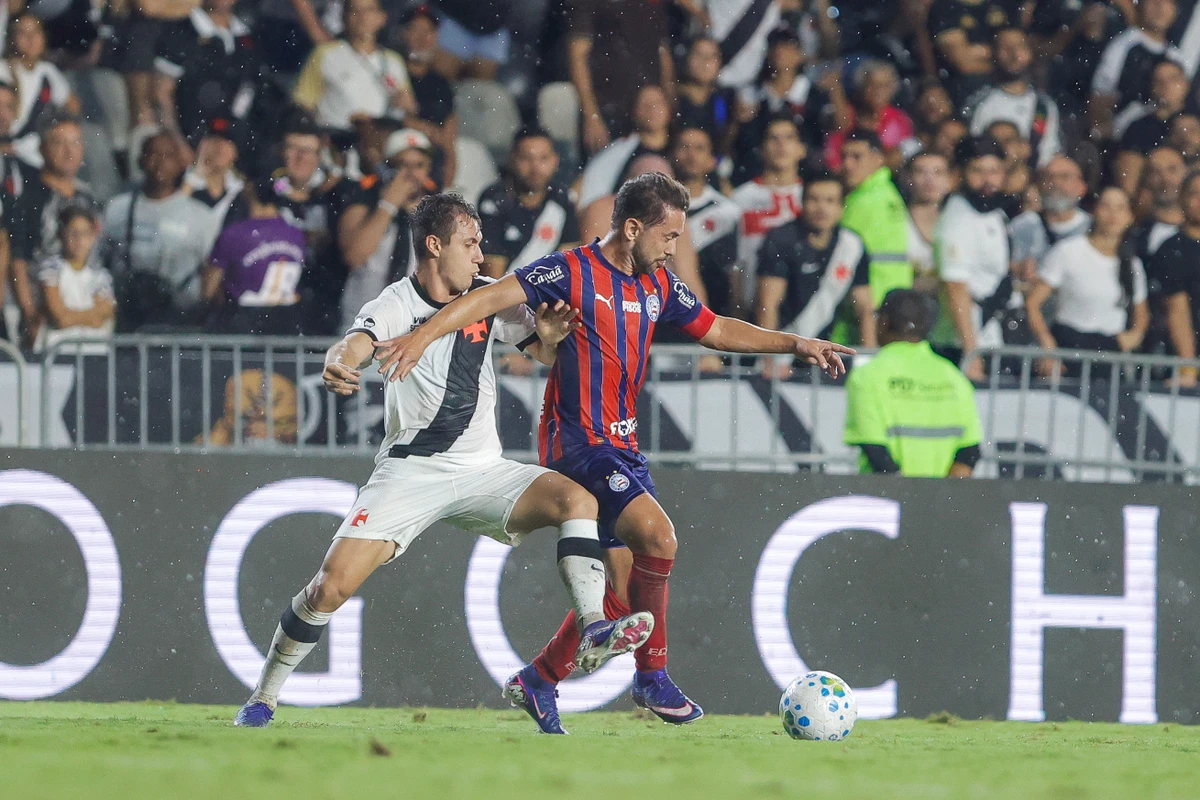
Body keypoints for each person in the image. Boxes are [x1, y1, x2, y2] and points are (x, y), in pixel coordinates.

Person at [372, 173, 853, 734]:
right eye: (668, 236)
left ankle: (539, 680)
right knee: (659, 537)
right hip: (577, 441)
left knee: (621, 598)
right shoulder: (570, 270)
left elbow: (716, 328)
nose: (675, 248)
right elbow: (486, 297)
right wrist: (420, 336)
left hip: (622, 444)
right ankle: (653, 677)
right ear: (632, 229)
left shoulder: (660, 284)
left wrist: (797, 343)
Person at [232, 192, 653, 729]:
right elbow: (354, 344)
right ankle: (265, 695)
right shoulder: (395, 303)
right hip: (410, 473)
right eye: (471, 244)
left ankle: (594, 624)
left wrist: (547, 341)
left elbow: (540, 349)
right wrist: (339, 364)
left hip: (483, 470)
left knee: (578, 498)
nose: (481, 256)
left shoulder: (487, 298)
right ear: (434, 246)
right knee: (328, 588)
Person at [844, 288, 982, 477]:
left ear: (883, 323)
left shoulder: (868, 375)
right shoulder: (953, 376)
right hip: (940, 500)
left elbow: (875, 451)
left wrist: (909, 497)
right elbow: (969, 452)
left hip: (886, 498)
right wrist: (943, 496)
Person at [755, 171, 875, 373]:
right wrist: (770, 361)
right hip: (784, 352)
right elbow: (767, 304)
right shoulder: (781, 240)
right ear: (802, 203)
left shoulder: (852, 245)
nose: (822, 208)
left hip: (825, 356)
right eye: (814, 199)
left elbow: (865, 309)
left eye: (830, 201)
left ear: (840, 207)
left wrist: (871, 364)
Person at [1025, 186, 1149, 379]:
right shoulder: (1068, 251)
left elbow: (1141, 314)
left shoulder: (1133, 264)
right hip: (1069, 345)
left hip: (1110, 352)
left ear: (1130, 217)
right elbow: (1033, 303)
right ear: (1094, 211)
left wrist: (1131, 338)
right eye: (1106, 206)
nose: (1113, 215)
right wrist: (1047, 344)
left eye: (1120, 208)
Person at [103, 132, 219, 329]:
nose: (160, 162)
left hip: (181, 321)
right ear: (140, 161)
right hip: (130, 319)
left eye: (168, 155)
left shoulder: (202, 216)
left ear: (181, 164)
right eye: (153, 154)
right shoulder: (116, 209)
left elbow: (212, 272)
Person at [6, 115, 98, 347]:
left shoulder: (88, 197)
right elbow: (17, 257)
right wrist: (28, 312)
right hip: (41, 313)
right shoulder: (27, 196)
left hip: (83, 310)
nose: (69, 151)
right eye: (59, 143)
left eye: (75, 143)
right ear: (41, 148)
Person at [936, 136, 1021, 380]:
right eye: (978, 170)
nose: (988, 179)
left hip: (994, 336)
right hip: (965, 343)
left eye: (994, 171)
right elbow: (955, 287)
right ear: (961, 173)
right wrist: (971, 352)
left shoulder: (993, 211)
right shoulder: (958, 217)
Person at [336, 126, 436, 331]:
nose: (411, 174)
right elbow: (355, 255)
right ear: (388, 166)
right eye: (402, 165)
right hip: (363, 323)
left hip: (415, 327)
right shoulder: (363, 201)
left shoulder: (437, 212)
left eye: (419, 165)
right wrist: (388, 204)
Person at [202, 178, 308, 336]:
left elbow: (207, 291)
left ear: (249, 189)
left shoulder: (234, 234)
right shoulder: (297, 235)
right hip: (286, 330)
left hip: (242, 330)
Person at [291, 0, 417, 133]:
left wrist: (407, 104)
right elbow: (303, 103)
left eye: (369, 10)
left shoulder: (393, 61)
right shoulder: (325, 54)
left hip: (377, 140)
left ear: (382, 18)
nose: (362, 16)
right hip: (335, 137)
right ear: (344, 17)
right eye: (355, 10)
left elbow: (409, 106)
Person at [567, 0, 673, 154]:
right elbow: (578, 57)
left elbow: (663, 55)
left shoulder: (651, 5)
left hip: (648, 107)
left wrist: (670, 101)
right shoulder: (588, 4)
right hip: (608, 107)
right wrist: (592, 115)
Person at [152, 0, 262, 142]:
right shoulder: (182, 30)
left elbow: (248, 89)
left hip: (231, 140)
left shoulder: (245, 35)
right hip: (188, 138)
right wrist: (178, 142)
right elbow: (162, 94)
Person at [478, 126, 579, 279]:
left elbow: (568, 265)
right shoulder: (494, 201)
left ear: (555, 161)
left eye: (543, 158)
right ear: (511, 160)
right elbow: (492, 277)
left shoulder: (563, 199)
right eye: (526, 158)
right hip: (506, 296)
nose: (535, 168)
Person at [731, 114, 805, 315]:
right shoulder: (740, 199)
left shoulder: (814, 198)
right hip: (752, 306)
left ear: (802, 149)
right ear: (762, 149)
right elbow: (735, 259)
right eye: (774, 138)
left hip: (805, 307)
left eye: (789, 138)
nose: (781, 145)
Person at [1089, 0, 1188, 140]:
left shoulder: (1176, 56)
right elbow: (1100, 98)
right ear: (1141, 5)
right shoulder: (1123, 44)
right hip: (1123, 135)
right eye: (1154, 1)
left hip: (1164, 135)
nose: (1160, 7)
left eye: (1168, 2)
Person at [964, 28, 1062, 169]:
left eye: (1020, 46)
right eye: (1005, 48)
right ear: (994, 53)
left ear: (1030, 52)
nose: (1014, 54)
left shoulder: (1044, 106)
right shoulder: (981, 101)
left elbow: (1048, 155)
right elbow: (974, 150)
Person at [673, 126, 740, 318]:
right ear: (672, 155)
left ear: (712, 161)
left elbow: (733, 271)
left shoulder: (727, 212)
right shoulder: (656, 209)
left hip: (712, 313)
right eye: (684, 147)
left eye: (699, 148)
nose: (691, 154)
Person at [840, 129, 911, 310]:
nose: (847, 164)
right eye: (844, 156)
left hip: (869, 300)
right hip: (894, 295)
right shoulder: (889, 192)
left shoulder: (863, 200)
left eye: (856, 157)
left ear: (878, 159)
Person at [577, 84, 672, 211]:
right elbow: (586, 190)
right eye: (645, 104)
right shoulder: (618, 151)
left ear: (669, 108)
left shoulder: (681, 147)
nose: (652, 109)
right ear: (634, 111)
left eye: (658, 103)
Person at [0, 13, 81, 161]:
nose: (31, 39)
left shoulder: (48, 72)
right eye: (23, 33)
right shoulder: (2, 69)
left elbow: (73, 107)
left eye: (36, 32)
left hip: (33, 149)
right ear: (12, 38)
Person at [37, 205, 114, 352]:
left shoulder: (101, 276)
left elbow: (105, 314)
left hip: (94, 350)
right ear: (62, 234)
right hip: (58, 351)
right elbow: (60, 318)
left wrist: (70, 316)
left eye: (85, 233)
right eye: (73, 233)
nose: (79, 239)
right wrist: (90, 317)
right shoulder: (51, 269)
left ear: (93, 236)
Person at [1149, 169, 1200, 386]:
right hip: (1188, 367)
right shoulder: (1171, 250)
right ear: (1182, 199)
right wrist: (1188, 369)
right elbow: (1177, 310)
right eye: (1194, 194)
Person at [398, 5, 458, 188]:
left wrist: (446, 189)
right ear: (403, 34)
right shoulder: (393, 71)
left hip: (432, 169)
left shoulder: (441, 83)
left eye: (429, 31)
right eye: (415, 29)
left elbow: (449, 141)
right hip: (398, 160)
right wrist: (424, 129)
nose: (422, 38)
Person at [1112, 59, 1189, 197]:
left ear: (1186, 84)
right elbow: (1128, 185)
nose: (1166, 85)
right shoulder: (1139, 128)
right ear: (1152, 87)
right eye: (1159, 81)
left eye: (1173, 79)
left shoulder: (1196, 120)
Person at [824, 60, 916, 171]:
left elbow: (896, 159)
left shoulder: (899, 120)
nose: (879, 91)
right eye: (873, 85)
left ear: (893, 89)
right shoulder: (846, 114)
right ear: (862, 87)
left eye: (885, 86)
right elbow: (834, 157)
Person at [1007, 155, 1091, 269]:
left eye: (1064, 177)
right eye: (1048, 177)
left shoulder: (1094, 228)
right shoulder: (1021, 226)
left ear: (1081, 187)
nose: (1055, 183)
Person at [182, 117, 248, 228]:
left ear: (236, 152)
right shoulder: (182, 179)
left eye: (227, 141)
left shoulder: (241, 189)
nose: (219, 146)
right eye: (214, 139)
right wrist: (195, 176)